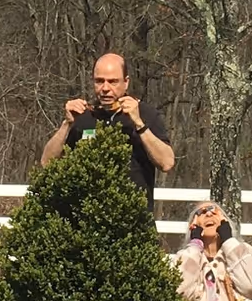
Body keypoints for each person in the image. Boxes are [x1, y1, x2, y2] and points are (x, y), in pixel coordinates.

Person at [39, 53, 174, 196]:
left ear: (126, 82)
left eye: (113, 81)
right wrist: (67, 124)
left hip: (133, 213)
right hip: (89, 211)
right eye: (99, 81)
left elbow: (166, 163)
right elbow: (47, 163)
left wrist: (139, 125)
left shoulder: (146, 114)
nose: (105, 88)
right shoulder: (84, 116)